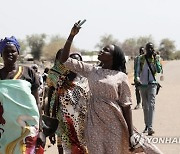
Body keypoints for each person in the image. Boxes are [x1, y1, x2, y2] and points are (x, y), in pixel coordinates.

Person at [57, 21, 163, 154]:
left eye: (106, 50)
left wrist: (130, 133)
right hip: (94, 123)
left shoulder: (121, 76)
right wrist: (71, 36)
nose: (101, 50)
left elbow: (126, 106)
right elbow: (64, 60)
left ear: (113, 58)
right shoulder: (91, 70)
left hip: (114, 123)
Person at [0, 36, 45, 153]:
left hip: (27, 129)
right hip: (4, 131)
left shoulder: (28, 72)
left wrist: (40, 130)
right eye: (6, 51)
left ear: (18, 53)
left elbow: (37, 103)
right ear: (1, 54)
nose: (10, 54)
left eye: (13, 51)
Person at [46, 51, 89, 154]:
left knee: (84, 149)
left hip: (84, 122)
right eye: (72, 60)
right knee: (68, 149)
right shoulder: (62, 80)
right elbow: (55, 101)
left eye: (77, 60)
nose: (75, 63)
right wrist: (51, 122)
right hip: (66, 122)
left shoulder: (87, 79)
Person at [135, 42, 162, 135]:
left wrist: (156, 60)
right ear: (146, 49)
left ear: (153, 49)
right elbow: (137, 71)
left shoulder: (156, 58)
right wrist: (137, 79)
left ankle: (150, 127)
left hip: (152, 84)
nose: (150, 50)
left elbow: (159, 70)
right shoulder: (141, 58)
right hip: (142, 85)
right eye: (148, 48)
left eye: (152, 48)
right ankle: (147, 125)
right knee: (145, 106)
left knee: (151, 105)